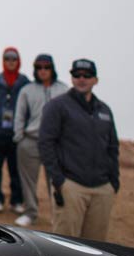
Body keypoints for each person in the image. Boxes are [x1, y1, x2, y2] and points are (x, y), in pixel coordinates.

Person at [38, 58, 119, 241]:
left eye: (87, 75)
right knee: (64, 248)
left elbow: (113, 147)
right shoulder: (57, 106)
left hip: (102, 189)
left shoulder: (104, 110)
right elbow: (45, 143)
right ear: (72, 78)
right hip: (71, 186)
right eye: (77, 75)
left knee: (96, 250)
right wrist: (59, 181)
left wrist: (113, 183)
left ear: (95, 80)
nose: (82, 79)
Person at [12, 53, 66, 226]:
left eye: (46, 67)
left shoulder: (64, 90)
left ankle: (57, 213)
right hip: (31, 140)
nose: (43, 71)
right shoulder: (27, 90)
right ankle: (30, 212)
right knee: (28, 180)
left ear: (52, 69)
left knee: (57, 179)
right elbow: (19, 115)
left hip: (56, 143)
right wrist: (19, 137)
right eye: (39, 67)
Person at [0, 46, 29, 214]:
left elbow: (28, 107)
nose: (11, 62)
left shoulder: (25, 83)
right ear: (3, 61)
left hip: (16, 134)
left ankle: (16, 200)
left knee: (16, 170)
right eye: (7, 58)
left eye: (14, 59)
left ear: (18, 61)